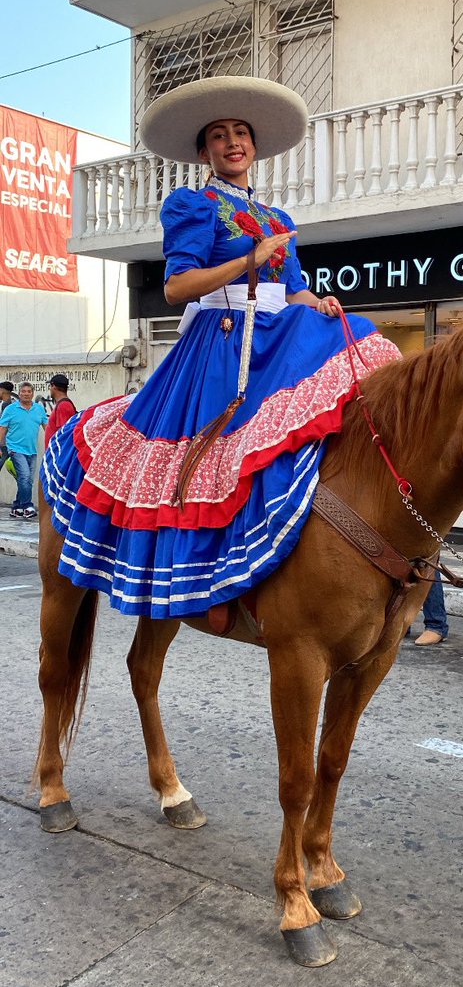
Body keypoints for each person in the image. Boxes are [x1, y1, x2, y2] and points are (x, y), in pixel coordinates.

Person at [40, 76, 401, 618]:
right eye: (219, 136)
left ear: (254, 146)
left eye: (241, 134)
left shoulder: (280, 220)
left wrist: (316, 302)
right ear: (204, 150)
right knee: (206, 460)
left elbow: (293, 287)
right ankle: (199, 572)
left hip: (276, 332)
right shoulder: (193, 205)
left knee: (352, 353)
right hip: (222, 340)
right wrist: (248, 262)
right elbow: (176, 287)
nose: (232, 143)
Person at [0, 382, 48, 519]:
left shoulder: (39, 409)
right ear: (19, 393)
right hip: (15, 449)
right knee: (25, 476)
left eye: (28, 391)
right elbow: (2, 428)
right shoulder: (10, 409)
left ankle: (16, 507)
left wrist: (53, 443)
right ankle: (27, 505)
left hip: (31, 450)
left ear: (32, 393)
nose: (26, 394)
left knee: (26, 480)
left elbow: (46, 426)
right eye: (23, 391)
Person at [45, 374, 77, 446]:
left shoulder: (64, 406)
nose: (50, 389)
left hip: (57, 452)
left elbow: (64, 433)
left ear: (54, 386)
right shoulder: (62, 404)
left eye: (50, 386)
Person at [0, 380, 18, 475]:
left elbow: (4, 426)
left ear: (2, 390)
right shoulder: (14, 403)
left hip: (4, 444)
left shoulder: (6, 405)